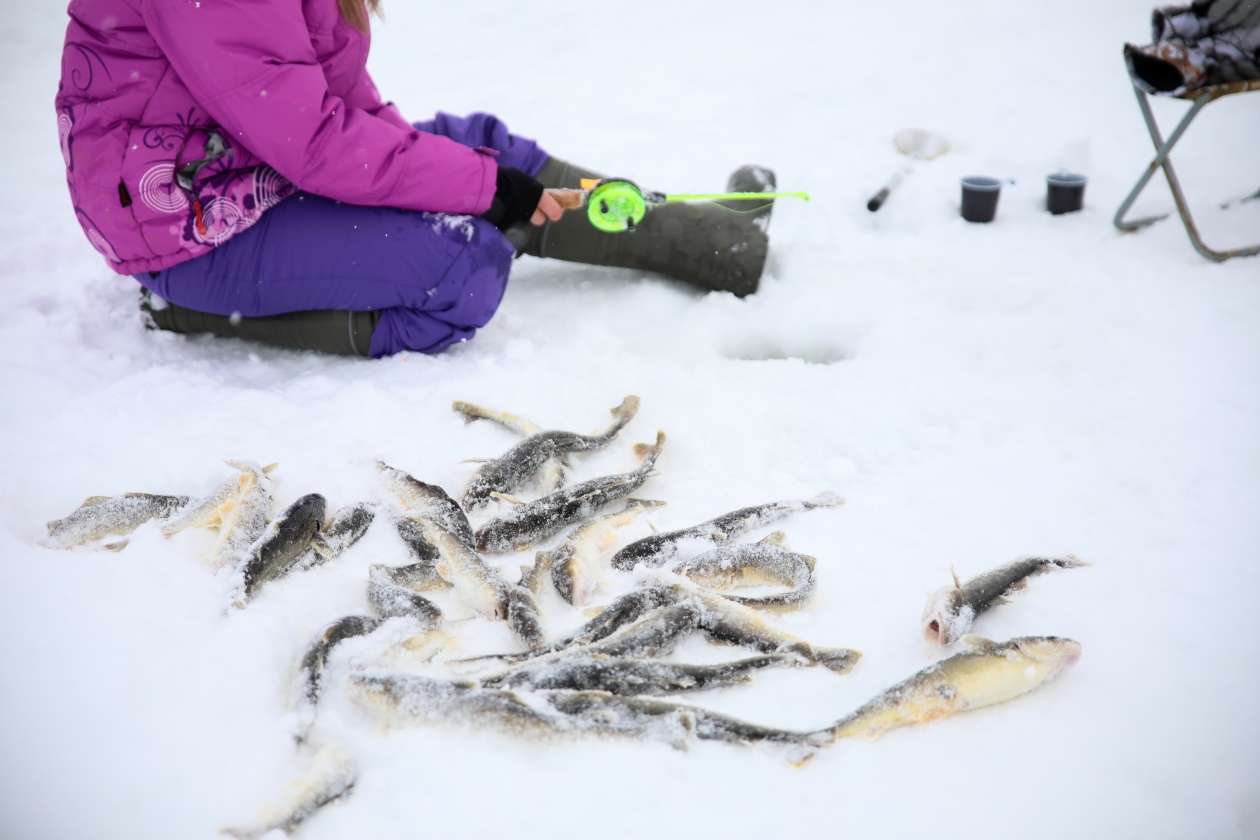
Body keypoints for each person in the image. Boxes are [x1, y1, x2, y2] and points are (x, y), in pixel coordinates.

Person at [55, 0, 775, 357]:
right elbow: (312, 139)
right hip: (185, 225)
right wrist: (482, 194)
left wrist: (479, 176)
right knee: (460, 264)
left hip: (252, 167)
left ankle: (713, 242)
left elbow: (340, 104)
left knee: (485, 152)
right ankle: (194, 313)